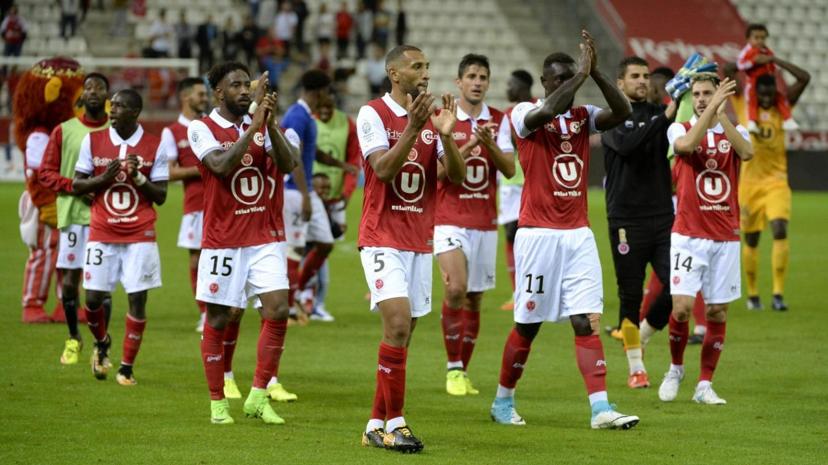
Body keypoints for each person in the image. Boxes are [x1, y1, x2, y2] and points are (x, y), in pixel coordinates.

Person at [490, 30, 638, 430]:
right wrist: (580, 76)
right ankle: (503, 400)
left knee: (585, 320)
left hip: (578, 235)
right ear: (544, 82)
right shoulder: (523, 113)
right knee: (528, 325)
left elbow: (623, 110)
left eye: (571, 78)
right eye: (559, 79)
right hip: (538, 235)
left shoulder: (582, 116)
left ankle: (600, 409)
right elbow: (548, 110)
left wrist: (597, 73)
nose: (567, 86)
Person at [356, 44, 464, 452]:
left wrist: (447, 136)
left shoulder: (434, 119)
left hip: (419, 240)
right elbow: (383, 170)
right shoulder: (372, 114)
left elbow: (455, 176)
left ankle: (374, 424)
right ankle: (397, 424)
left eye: (427, 66)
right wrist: (414, 128)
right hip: (381, 236)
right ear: (394, 74)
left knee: (402, 335)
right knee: (399, 325)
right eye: (417, 66)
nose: (425, 73)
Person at [187, 62, 298, 425]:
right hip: (223, 240)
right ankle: (217, 402)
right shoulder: (201, 128)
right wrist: (252, 128)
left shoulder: (264, 124)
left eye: (246, 85)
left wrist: (270, 124)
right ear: (218, 93)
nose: (244, 91)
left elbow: (289, 165)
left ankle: (258, 395)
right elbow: (220, 166)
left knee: (278, 310)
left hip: (266, 237)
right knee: (219, 317)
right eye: (235, 85)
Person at [658, 74, 753, 405]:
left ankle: (704, 385)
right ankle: (675, 368)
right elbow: (685, 148)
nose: (700, 99)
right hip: (688, 235)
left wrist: (721, 116)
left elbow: (747, 153)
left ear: (720, 96)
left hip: (725, 237)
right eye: (696, 94)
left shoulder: (736, 131)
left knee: (717, 313)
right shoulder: (679, 129)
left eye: (707, 93)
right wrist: (710, 111)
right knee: (682, 309)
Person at [71, 89, 169, 386]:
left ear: (135, 112)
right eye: (111, 105)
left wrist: (139, 177)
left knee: (137, 299)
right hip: (102, 231)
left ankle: (126, 367)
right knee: (92, 299)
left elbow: (161, 195)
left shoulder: (154, 144)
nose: (111, 110)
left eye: (119, 106)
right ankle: (102, 342)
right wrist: (103, 177)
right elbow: (77, 185)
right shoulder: (93, 141)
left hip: (140, 233)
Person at [435, 53, 514, 397]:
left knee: (474, 298)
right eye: (471, 76)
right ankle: (453, 368)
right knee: (456, 289)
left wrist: (489, 142)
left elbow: (509, 169)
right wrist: (469, 144)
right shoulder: (442, 118)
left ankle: (463, 371)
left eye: (483, 77)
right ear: (459, 82)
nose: (477, 82)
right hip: (448, 218)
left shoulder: (499, 120)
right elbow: (438, 173)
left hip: (484, 222)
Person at [600, 56, 676, 389]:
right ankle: (636, 368)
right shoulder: (612, 117)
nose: (643, 80)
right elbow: (628, 146)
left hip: (662, 216)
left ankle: (642, 335)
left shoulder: (662, 114)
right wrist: (665, 119)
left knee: (679, 286)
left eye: (645, 75)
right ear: (620, 83)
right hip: (626, 219)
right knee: (630, 296)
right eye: (635, 76)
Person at [39, 72, 111, 364]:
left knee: (101, 285)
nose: (93, 92)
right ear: (82, 95)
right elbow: (46, 173)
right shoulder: (64, 130)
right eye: (88, 87)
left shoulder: (116, 130)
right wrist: (77, 187)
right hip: (73, 216)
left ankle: (100, 346)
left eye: (99, 88)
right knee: (70, 283)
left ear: (107, 96)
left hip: (107, 218)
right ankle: (73, 337)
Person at [281, 70, 354, 318]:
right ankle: (289, 306)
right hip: (295, 191)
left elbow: (313, 152)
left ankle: (298, 290)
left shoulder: (306, 116)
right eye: (328, 92)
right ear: (320, 92)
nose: (329, 96)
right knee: (295, 248)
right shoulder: (296, 116)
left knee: (325, 243)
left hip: (306, 190)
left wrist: (341, 165)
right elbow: (293, 158)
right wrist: (304, 195)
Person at [739, 60, 810, 311]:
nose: (767, 98)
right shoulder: (744, 106)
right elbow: (729, 71)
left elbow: (804, 77)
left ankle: (778, 294)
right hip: (749, 184)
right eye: (763, 94)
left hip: (777, 182)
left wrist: (775, 60)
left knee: (779, 229)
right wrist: (750, 62)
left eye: (771, 93)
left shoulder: (783, 105)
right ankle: (753, 294)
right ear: (755, 92)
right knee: (752, 239)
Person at [159, 78, 209, 332]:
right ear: (185, 97)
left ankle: (226, 307)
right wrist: (203, 169)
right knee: (197, 260)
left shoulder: (212, 125)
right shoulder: (172, 132)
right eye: (201, 94)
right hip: (195, 205)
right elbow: (168, 172)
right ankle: (205, 313)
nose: (205, 98)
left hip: (223, 203)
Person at [307, 95, 361, 321]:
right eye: (321, 107)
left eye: (329, 107)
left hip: (334, 197)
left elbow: (353, 161)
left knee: (322, 248)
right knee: (311, 246)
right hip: (309, 195)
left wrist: (346, 194)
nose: (325, 112)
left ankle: (312, 302)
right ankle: (305, 299)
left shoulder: (347, 123)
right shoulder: (307, 120)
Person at [497, 69, 533, 311]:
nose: (507, 89)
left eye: (511, 85)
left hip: (526, 181)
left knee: (524, 236)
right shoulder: (507, 114)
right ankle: (518, 292)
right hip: (510, 183)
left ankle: (526, 291)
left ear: (522, 87)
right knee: (512, 236)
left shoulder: (534, 110)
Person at [737, 23, 797, 133]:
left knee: (779, 97)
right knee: (752, 100)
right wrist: (753, 61)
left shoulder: (767, 51)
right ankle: (752, 121)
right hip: (753, 80)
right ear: (748, 39)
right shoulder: (748, 51)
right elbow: (740, 65)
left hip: (768, 80)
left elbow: (771, 63)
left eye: (763, 38)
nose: (760, 41)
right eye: (756, 38)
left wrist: (772, 69)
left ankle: (787, 119)